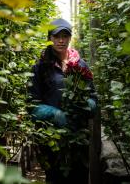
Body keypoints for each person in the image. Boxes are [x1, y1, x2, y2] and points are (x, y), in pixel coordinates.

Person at [28, 18, 97, 184]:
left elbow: (93, 98)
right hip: (53, 139)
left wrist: (87, 105)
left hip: (78, 137)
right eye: (56, 36)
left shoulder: (81, 66)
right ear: (50, 38)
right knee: (55, 177)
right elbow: (31, 105)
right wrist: (54, 113)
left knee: (79, 177)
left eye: (65, 36)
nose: (61, 40)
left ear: (70, 38)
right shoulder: (40, 67)